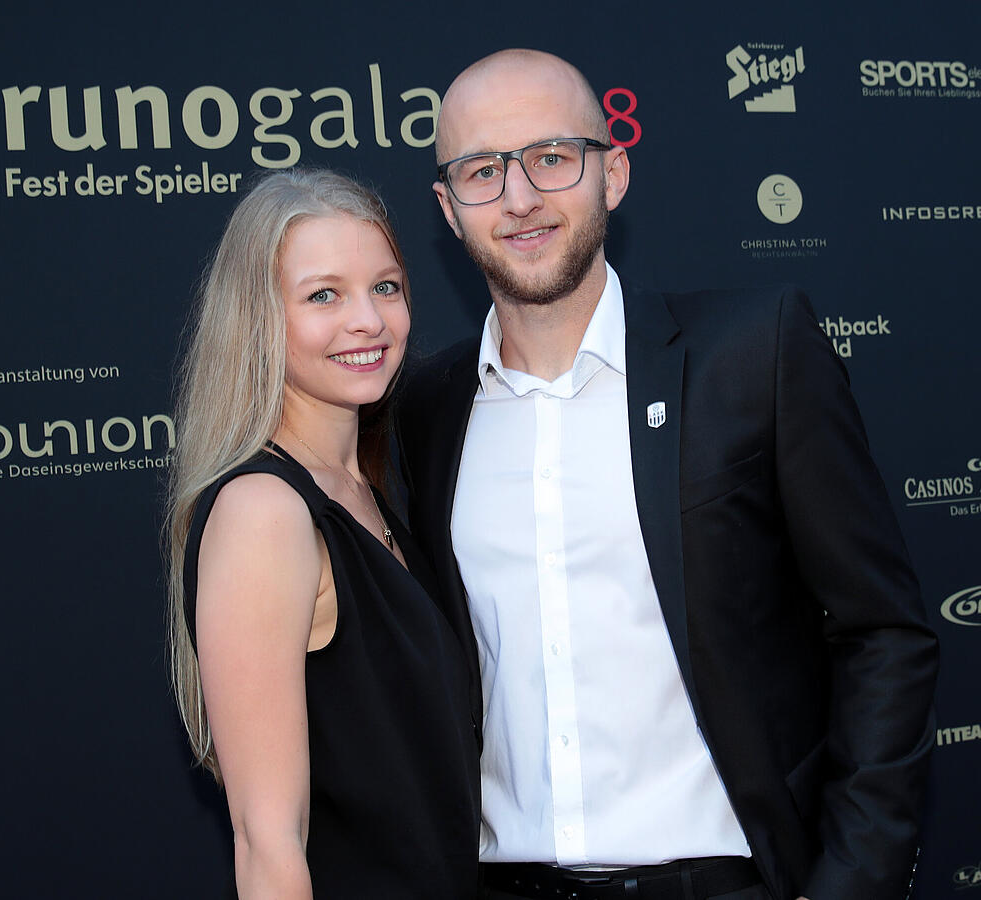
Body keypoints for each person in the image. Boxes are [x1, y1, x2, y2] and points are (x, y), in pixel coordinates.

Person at [397, 49, 938, 900]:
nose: (519, 197)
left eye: (551, 157)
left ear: (612, 174)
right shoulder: (423, 414)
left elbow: (884, 634)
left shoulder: (753, 355)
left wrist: (853, 882)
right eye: (482, 170)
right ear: (448, 207)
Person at [166, 169, 480, 899]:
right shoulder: (265, 512)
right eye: (323, 295)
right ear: (259, 320)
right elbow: (268, 843)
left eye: (386, 287)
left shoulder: (368, 493)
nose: (367, 320)